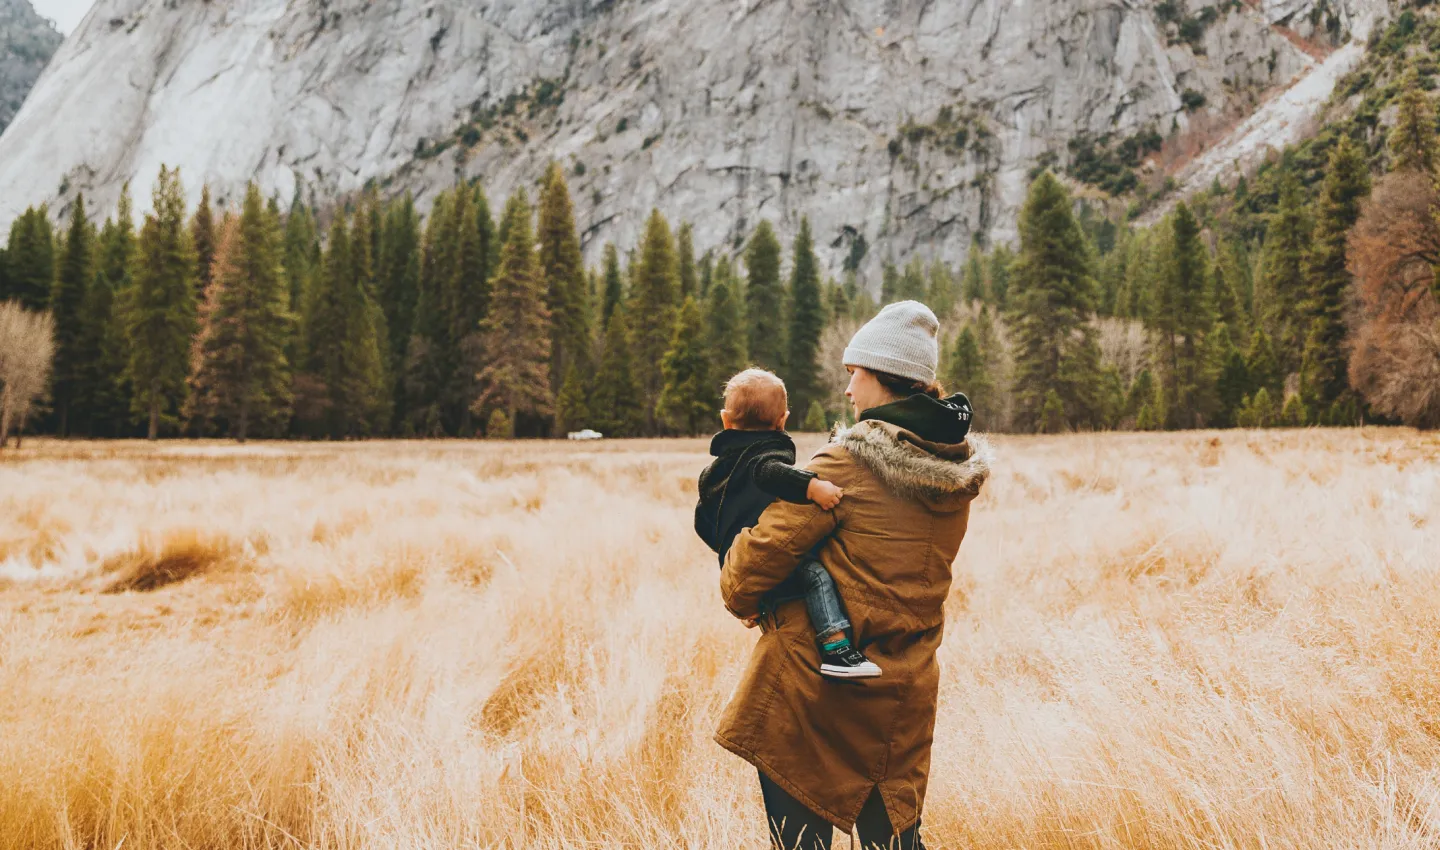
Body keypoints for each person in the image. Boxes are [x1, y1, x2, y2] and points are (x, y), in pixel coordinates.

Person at [715, 300, 990, 850]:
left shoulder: (846, 464)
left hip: (815, 693)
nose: (848, 391)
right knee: (895, 844)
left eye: (854, 374)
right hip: (904, 692)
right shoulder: (953, 471)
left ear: (884, 378)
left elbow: (746, 574)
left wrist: (737, 571)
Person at [695, 368, 881, 678]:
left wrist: (727, 551)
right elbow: (769, 472)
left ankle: (758, 603)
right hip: (765, 556)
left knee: (781, 595)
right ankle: (836, 649)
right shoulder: (764, 454)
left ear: (725, 420)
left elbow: (702, 521)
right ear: (783, 420)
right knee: (815, 575)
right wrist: (812, 487)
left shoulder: (716, 472)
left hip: (737, 558)